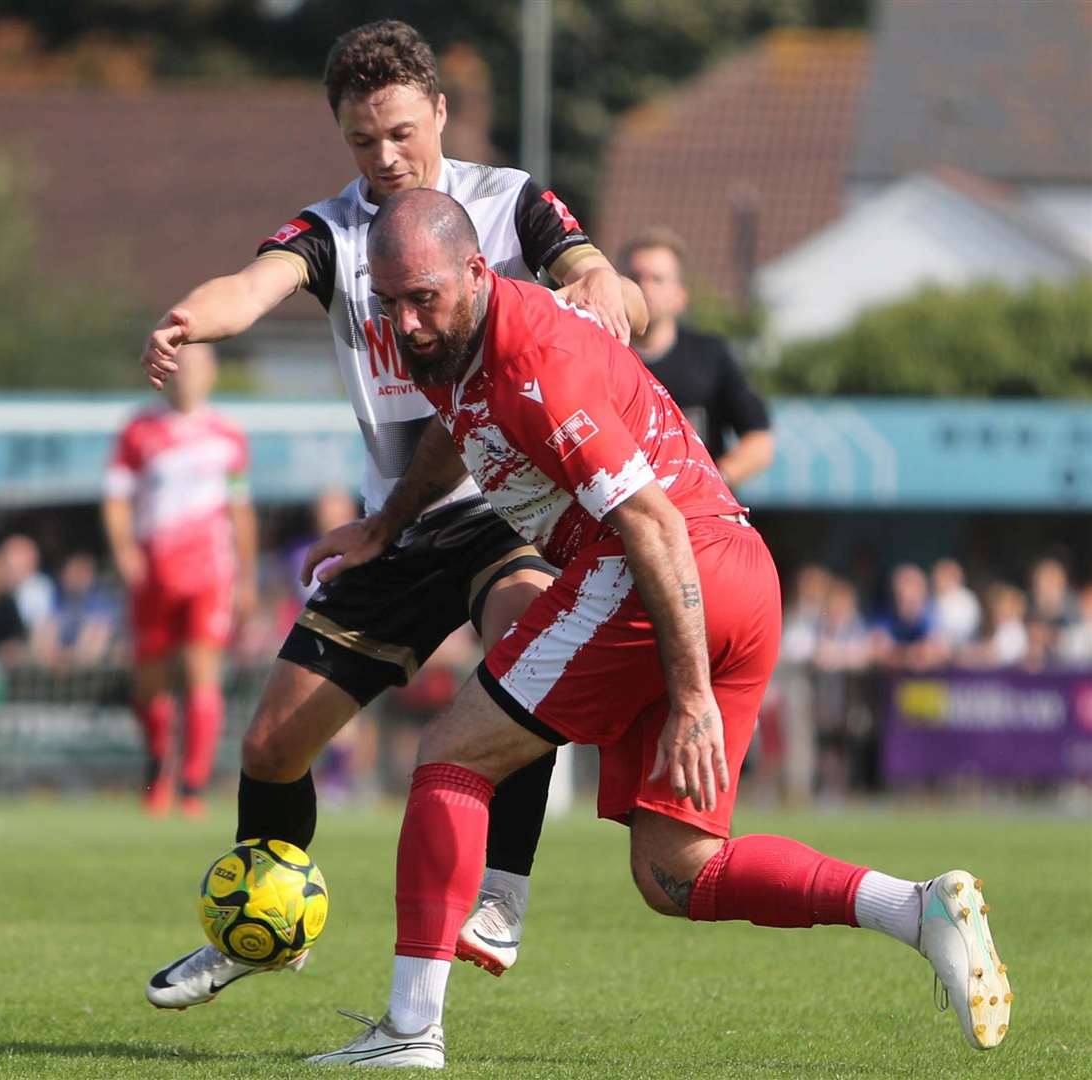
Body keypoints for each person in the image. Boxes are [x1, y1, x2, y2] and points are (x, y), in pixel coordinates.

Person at [305, 189, 1010, 1067]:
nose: (407, 322)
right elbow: (458, 428)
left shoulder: (536, 362)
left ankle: (408, 1032)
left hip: (667, 569)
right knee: (676, 872)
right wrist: (385, 523)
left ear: (478, 273)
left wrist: (690, 699)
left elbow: (651, 525)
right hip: (736, 575)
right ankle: (915, 909)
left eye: (425, 298)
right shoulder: (449, 344)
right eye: (390, 300)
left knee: (451, 756)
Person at [139, 19, 648, 1006]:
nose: (384, 158)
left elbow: (585, 263)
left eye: (401, 134)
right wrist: (189, 318)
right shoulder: (332, 230)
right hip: (400, 524)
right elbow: (253, 286)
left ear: (440, 115)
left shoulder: (507, 203)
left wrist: (595, 279)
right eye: (362, 141)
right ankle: (260, 924)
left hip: (513, 513)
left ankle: (499, 893)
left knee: (522, 646)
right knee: (269, 746)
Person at [104, 342, 257, 819]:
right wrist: (126, 552)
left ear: (211, 375)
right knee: (150, 681)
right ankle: (157, 768)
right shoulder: (138, 431)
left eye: (197, 367)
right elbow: (116, 499)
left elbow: (239, 508)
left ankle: (192, 785)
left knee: (201, 674)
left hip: (210, 572)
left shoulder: (227, 435)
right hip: (154, 572)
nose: (188, 376)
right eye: (181, 367)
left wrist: (247, 576)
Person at [623, 227, 773, 488]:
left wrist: (710, 484)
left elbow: (759, 440)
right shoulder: (600, 357)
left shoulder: (710, 355)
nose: (644, 287)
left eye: (657, 279)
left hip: (698, 518)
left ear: (680, 297)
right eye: (635, 277)